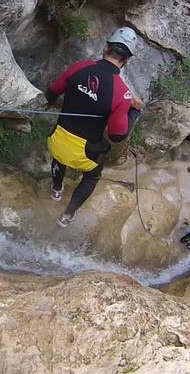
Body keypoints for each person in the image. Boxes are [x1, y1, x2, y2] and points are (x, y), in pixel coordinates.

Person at [45, 27, 143, 228]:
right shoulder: (123, 94)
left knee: (60, 153)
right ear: (127, 60)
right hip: (83, 154)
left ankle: (56, 189)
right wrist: (134, 111)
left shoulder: (79, 67)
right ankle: (67, 215)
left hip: (56, 140)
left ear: (106, 48)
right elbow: (117, 136)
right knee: (92, 175)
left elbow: (51, 93)